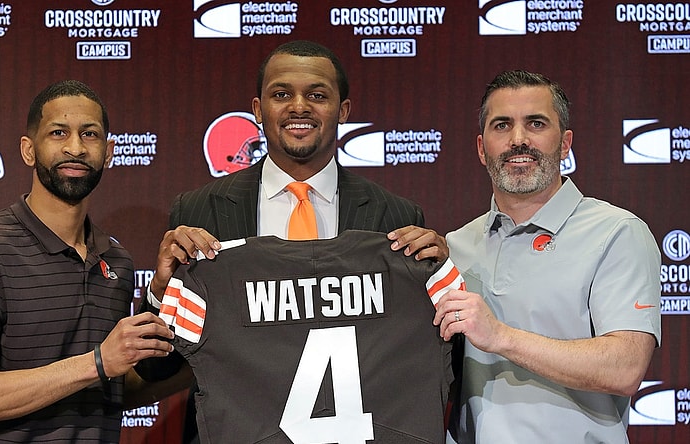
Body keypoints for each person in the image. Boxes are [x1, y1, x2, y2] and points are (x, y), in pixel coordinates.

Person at [136, 40, 449, 443]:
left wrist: (439, 281)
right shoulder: (199, 212)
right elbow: (156, 369)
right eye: (281, 94)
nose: (298, 107)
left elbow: (418, 367)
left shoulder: (398, 219)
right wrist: (161, 294)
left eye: (317, 95)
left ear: (343, 110)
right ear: (257, 109)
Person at [0, 80, 187, 444]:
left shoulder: (116, 261)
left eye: (90, 134)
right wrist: (98, 362)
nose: (76, 147)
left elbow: (112, 391)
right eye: (59, 132)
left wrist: (216, 358)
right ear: (28, 150)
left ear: (109, 152)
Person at [434, 70, 662, 443]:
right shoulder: (456, 246)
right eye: (502, 125)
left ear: (565, 143)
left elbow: (625, 368)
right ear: (481, 148)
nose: (518, 140)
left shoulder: (617, 232)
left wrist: (500, 336)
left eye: (536, 123)